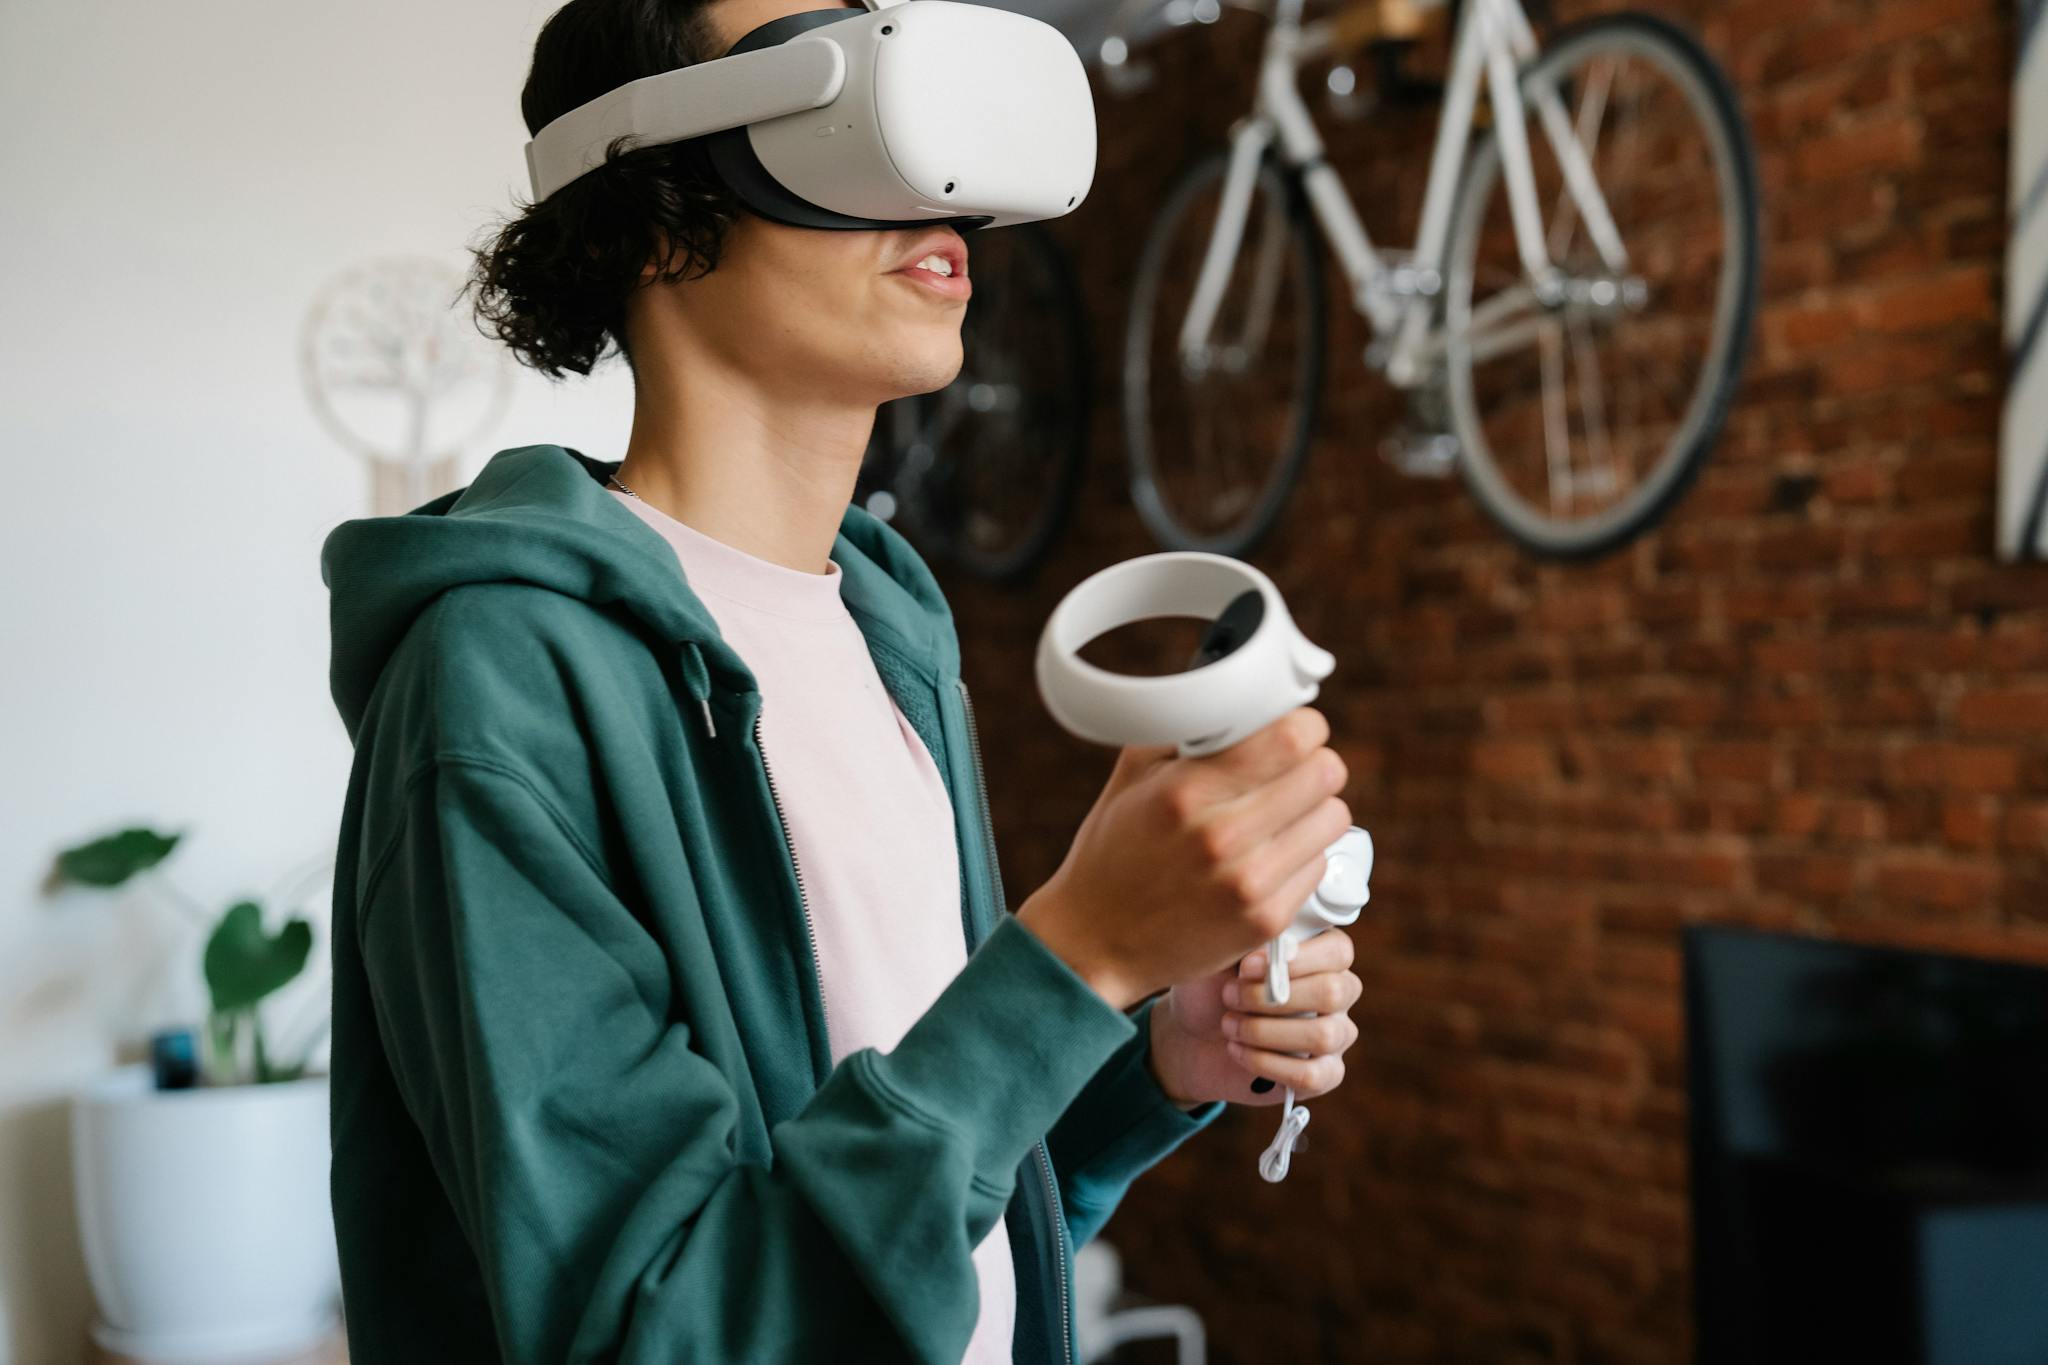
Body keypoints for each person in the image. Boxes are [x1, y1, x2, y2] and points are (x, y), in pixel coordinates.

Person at [319, 0, 1363, 1360]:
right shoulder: (500, 683)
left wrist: (1150, 1057)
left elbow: (938, 1234)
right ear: (649, 214)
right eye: (834, 112)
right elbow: (664, 1332)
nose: (928, 179)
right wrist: (1075, 958)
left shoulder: (886, 618)